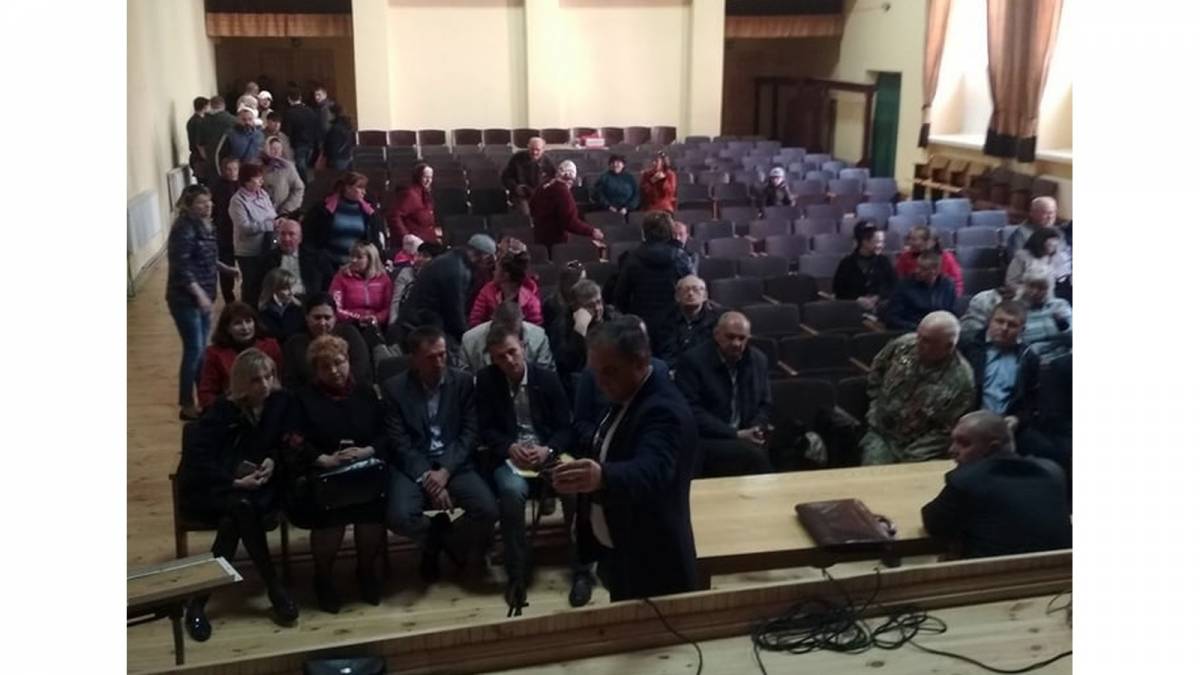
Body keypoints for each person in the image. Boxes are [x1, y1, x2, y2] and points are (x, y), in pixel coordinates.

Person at [551, 316, 699, 601]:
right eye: (595, 373)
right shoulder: (628, 394)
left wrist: (601, 476)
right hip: (623, 551)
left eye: (609, 372)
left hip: (653, 561)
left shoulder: (663, 410)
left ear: (640, 362)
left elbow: (653, 470)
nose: (600, 382)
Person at [178, 349, 298, 638]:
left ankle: (199, 603)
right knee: (240, 508)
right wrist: (234, 481)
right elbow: (198, 461)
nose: (265, 385)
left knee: (235, 519)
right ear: (242, 382)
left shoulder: (281, 402)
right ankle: (274, 587)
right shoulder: (223, 410)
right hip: (219, 488)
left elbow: (287, 444)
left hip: (261, 486)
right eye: (256, 380)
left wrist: (273, 461)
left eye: (269, 376)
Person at [475, 323, 582, 608]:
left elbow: (566, 428)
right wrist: (508, 447)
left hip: (546, 452)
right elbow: (485, 429)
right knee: (511, 493)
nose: (508, 360)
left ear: (523, 347)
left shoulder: (546, 378)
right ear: (492, 359)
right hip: (511, 457)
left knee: (574, 488)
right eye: (500, 357)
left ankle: (581, 567)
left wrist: (549, 449)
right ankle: (517, 573)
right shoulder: (486, 381)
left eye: (512, 352)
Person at [381, 326, 499, 582]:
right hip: (414, 463)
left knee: (488, 510)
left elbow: (470, 433)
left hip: (453, 461)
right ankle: (434, 541)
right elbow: (399, 443)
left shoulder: (463, 382)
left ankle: (446, 540)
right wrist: (427, 477)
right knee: (399, 518)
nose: (439, 362)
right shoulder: (394, 389)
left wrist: (445, 471)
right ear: (414, 360)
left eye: (442, 354)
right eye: (431, 357)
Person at [284, 335, 388, 613]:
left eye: (339, 362)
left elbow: (384, 433)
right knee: (331, 517)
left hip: (363, 469)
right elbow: (293, 439)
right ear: (316, 371)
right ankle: (323, 578)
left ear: (348, 361)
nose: (334, 370)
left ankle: (365, 570)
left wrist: (367, 451)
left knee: (371, 513)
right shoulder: (303, 398)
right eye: (325, 367)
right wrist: (325, 459)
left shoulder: (366, 393)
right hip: (324, 473)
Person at [921, 411, 1071, 559]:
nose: (952, 450)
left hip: (996, 573)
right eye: (953, 441)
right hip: (1064, 570)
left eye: (964, 443)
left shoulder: (966, 480)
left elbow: (933, 524)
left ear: (992, 448)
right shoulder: (1053, 471)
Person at [860, 311, 975, 465]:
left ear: (948, 346)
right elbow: (877, 371)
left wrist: (912, 456)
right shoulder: (903, 345)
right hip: (882, 434)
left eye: (926, 340)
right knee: (875, 472)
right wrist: (875, 405)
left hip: (922, 446)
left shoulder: (962, 379)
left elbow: (947, 429)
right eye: (919, 335)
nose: (918, 342)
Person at [166, 185, 239, 420]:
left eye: (209, 201)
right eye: (201, 202)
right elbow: (181, 267)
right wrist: (198, 293)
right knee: (194, 349)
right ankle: (186, 404)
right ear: (188, 206)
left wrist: (225, 268)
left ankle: (204, 396)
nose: (208, 206)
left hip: (205, 295)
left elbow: (207, 256)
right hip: (185, 299)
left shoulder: (206, 224)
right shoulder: (183, 229)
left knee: (202, 350)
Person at [674, 312, 773, 477]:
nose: (736, 343)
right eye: (730, 337)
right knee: (754, 456)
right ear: (717, 335)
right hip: (709, 437)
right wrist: (735, 434)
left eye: (742, 338)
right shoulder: (693, 361)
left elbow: (765, 404)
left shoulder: (758, 360)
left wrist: (756, 428)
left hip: (747, 434)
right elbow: (691, 411)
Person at [614, 211, 699, 357]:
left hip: (640, 323)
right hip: (673, 324)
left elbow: (620, 296)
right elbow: (693, 291)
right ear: (669, 232)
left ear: (644, 232)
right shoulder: (681, 258)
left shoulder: (632, 258)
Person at [957, 301, 1040, 428]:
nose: (1004, 328)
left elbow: (1032, 399)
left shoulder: (1028, 357)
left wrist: (1017, 418)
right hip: (966, 419)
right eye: (999, 321)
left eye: (1012, 325)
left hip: (1005, 424)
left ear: (1022, 330)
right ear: (989, 321)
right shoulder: (967, 345)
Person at [402, 234, 497, 342]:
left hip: (421, 323)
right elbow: (455, 314)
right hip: (420, 329)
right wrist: (468, 340)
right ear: (478, 255)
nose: (487, 265)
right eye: (487, 260)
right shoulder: (456, 270)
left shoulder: (453, 259)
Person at [198, 302, 284, 409]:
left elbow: (280, 380)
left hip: (271, 406)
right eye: (237, 323)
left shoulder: (271, 346)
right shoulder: (214, 353)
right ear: (227, 328)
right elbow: (206, 394)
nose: (245, 327)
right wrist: (225, 406)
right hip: (232, 409)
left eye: (248, 321)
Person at [282, 293, 373, 389]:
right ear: (307, 318)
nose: (322, 323)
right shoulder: (295, 343)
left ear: (335, 318)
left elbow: (361, 368)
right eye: (317, 317)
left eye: (327, 317)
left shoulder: (349, 334)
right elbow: (290, 380)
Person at [301, 171, 387, 270]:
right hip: (327, 265)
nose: (364, 192)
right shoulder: (322, 209)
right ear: (348, 188)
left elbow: (374, 240)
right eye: (360, 187)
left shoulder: (369, 213)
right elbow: (309, 236)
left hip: (358, 267)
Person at [230, 163, 283, 306]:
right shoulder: (237, 201)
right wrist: (270, 225)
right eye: (257, 179)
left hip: (268, 246)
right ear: (246, 181)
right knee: (251, 286)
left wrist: (278, 221)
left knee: (266, 283)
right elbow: (244, 227)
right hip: (249, 251)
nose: (261, 181)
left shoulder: (263, 194)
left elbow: (271, 214)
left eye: (261, 178)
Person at [548, 280, 614, 392]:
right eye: (590, 305)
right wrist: (579, 331)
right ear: (576, 307)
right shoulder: (561, 326)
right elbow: (566, 365)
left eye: (599, 302)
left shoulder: (611, 317)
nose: (597, 308)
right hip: (578, 381)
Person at [462, 301, 555, 373]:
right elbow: (464, 380)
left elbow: (546, 375)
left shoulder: (538, 337)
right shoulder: (470, 341)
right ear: (491, 320)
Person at [530, 160, 605, 250]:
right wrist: (592, 231)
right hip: (555, 242)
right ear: (570, 179)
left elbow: (532, 206)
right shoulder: (562, 192)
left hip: (539, 238)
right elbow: (570, 222)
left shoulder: (544, 186)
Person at [328, 241, 394, 341]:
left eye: (359, 257)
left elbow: (388, 307)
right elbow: (335, 307)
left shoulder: (384, 279)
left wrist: (376, 318)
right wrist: (357, 318)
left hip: (377, 326)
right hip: (349, 325)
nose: (353, 260)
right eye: (352, 256)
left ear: (371, 259)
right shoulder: (341, 278)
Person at [469, 247, 542, 327]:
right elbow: (475, 320)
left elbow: (535, 327)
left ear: (506, 275)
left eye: (496, 269)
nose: (493, 272)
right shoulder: (487, 291)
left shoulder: (531, 301)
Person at [261, 217, 333, 298]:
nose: (286, 239)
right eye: (282, 234)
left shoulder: (317, 257)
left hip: (308, 301)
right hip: (279, 302)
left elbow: (329, 285)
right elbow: (258, 288)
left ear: (300, 238)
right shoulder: (267, 259)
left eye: (291, 234)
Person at [885, 250, 957, 330]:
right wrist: (918, 328)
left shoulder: (948, 285)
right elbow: (893, 318)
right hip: (913, 329)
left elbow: (952, 313)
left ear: (935, 271)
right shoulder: (904, 286)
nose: (917, 271)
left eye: (923, 269)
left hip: (940, 329)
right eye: (917, 266)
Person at [834, 221, 897, 311]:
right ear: (864, 242)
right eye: (877, 242)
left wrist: (878, 297)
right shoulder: (846, 263)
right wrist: (857, 299)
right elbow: (839, 290)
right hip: (853, 309)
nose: (881, 245)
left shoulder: (884, 261)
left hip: (880, 308)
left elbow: (893, 285)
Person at [659, 275, 718, 367]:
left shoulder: (717, 321)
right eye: (685, 290)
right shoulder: (665, 319)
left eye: (696, 289)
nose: (690, 293)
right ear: (677, 296)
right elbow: (666, 352)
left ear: (705, 296)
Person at [1018, 269, 1072, 360]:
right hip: (1032, 360)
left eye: (1041, 288)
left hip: (1063, 357)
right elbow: (1017, 343)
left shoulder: (1060, 305)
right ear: (1024, 286)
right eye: (1031, 286)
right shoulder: (1017, 309)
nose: (1035, 292)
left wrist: (1064, 326)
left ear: (1048, 289)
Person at [895, 225, 963, 296]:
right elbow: (899, 279)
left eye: (914, 240)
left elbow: (957, 282)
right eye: (910, 239)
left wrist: (953, 297)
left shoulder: (946, 257)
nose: (910, 243)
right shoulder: (905, 257)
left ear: (930, 242)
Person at [388, 241, 443, 328]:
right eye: (418, 255)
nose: (419, 259)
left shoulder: (440, 278)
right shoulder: (406, 273)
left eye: (425, 256)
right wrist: (393, 324)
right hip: (405, 321)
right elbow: (396, 301)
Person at [210, 157, 241, 303]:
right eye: (229, 169)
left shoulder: (243, 185)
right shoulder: (217, 187)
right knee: (227, 266)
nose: (232, 172)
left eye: (235, 169)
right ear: (223, 170)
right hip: (224, 232)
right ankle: (229, 298)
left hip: (241, 233)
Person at [386, 162, 440, 244]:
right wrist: (406, 236)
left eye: (430, 177)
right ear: (418, 177)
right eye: (425, 177)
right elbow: (394, 216)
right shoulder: (410, 194)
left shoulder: (426, 194)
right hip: (414, 243)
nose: (428, 180)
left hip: (427, 241)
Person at [502, 136, 557, 215]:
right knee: (525, 214)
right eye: (532, 149)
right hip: (521, 195)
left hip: (540, 194)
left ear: (543, 150)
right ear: (528, 147)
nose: (534, 152)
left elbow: (553, 178)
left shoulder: (547, 161)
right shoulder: (517, 158)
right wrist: (515, 187)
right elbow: (506, 177)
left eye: (537, 150)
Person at [1005, 226, 1063, 296]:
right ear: (1040, 242)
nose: (1053, 248)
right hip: (1026, 296)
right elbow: (1010, 282)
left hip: (1048, 297)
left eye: (1055, 246)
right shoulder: (1022, 256)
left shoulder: (1054, 258)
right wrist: (1029, 291)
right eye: (1050, 245)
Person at [282, 86, 320, 182]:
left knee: (300, 167)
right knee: (306, 166)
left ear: (289, 99)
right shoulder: (310, 111)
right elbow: (316, 127)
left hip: (298, 144)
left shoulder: (289, 113)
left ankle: (304, 184)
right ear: (300, 97)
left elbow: (287, 131)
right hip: (311, 143)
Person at [257, 268, 306, 343]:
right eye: (285, 288)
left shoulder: (298, 308)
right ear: (273, 290)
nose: (291, 292)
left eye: (292, 287)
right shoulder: (263, 312)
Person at [262, 137, 304, 217]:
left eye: (279, 148)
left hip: (281, 212)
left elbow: (299, 188)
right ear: (266, 149)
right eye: (273, 148)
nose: (276, 151)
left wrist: (287, 208)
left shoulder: (288, 167)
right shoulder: (258, 166)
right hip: (262, 212)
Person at [200, 96, 237, 181]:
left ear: (211, 105)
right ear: (224, 105)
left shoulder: (203, 121)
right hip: (229, 159)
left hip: (210, 159)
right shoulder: (232, 120)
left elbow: (200, 144)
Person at [323, 104, 355, 171]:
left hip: (338, 158)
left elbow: (333, 146)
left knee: (338, 175)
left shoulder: (335, 128)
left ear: (333, 114)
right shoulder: (346, 124)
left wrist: (328, 156)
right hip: (346, 155)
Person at [187, 96, 210, 181]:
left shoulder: (191, 120)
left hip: (195, 156)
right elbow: (199, 143)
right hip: (200, 158)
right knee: (205, 181)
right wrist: (205, 158)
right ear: (205, 107)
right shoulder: (200, 122)